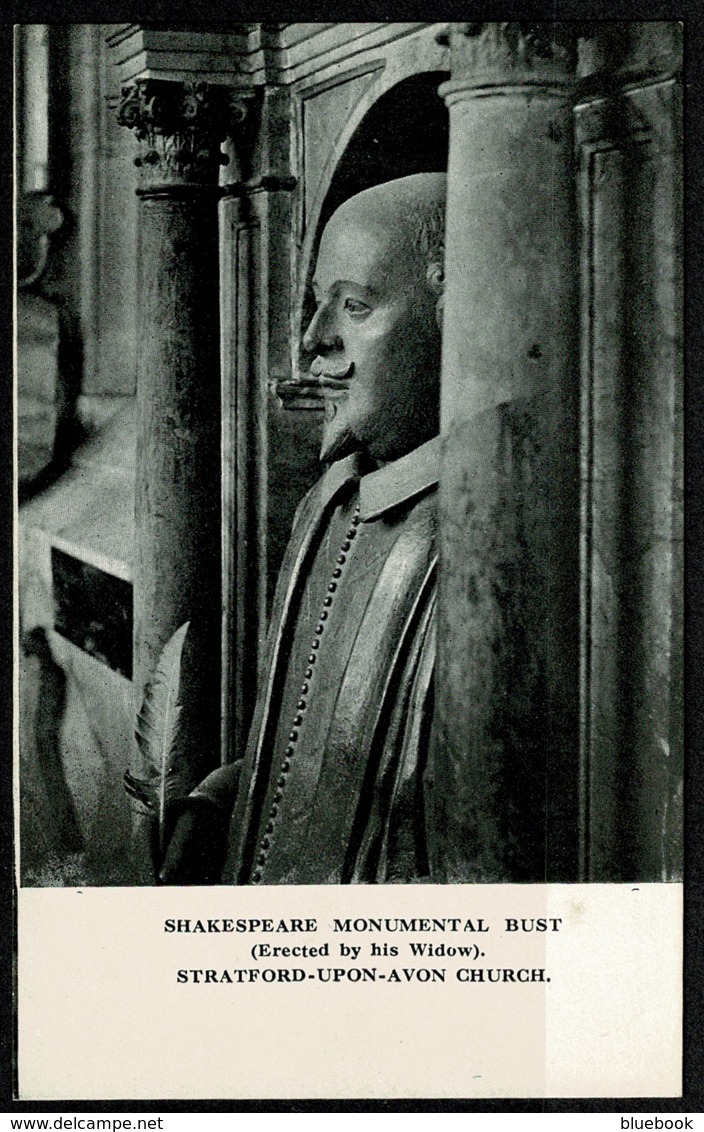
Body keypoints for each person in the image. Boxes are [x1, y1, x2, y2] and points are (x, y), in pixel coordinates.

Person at [161, 172, 447, 885]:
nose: (315, 341)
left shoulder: (487, 536)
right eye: (319, 306)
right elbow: (297, 747)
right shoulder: (330, 500)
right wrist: (220, 802)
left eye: (355, 306)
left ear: (462, 316)